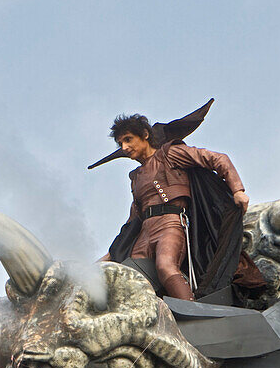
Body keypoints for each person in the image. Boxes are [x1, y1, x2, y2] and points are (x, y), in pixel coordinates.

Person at [101, 114, 249, 301]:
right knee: (133, 276)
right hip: (145, 233)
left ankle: (192, 308)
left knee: (165, 266)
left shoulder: (169, 154)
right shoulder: (136, 178)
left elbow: (217, 158)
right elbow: (133, 220)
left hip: (170, 224)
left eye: (128, 139)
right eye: (121, 143)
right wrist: (111, 253)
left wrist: (237, 190)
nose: (124, 148)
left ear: (145, 134)